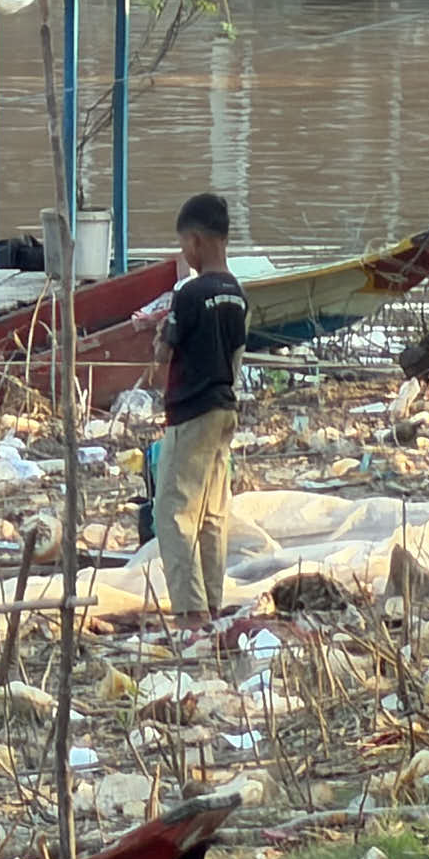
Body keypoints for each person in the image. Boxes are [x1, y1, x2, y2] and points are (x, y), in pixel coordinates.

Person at [150, 193, 248, 618]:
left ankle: (190, 613)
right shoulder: (237, 294)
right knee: (211, 512)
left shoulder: (189, 294)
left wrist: (158, 339)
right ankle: (212, 602)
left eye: (184, 245)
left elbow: (164, 353)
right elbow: (236, 356)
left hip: (191, 413)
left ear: (197, 241)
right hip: (225, 409)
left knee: (173, 511)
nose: (185, 254)